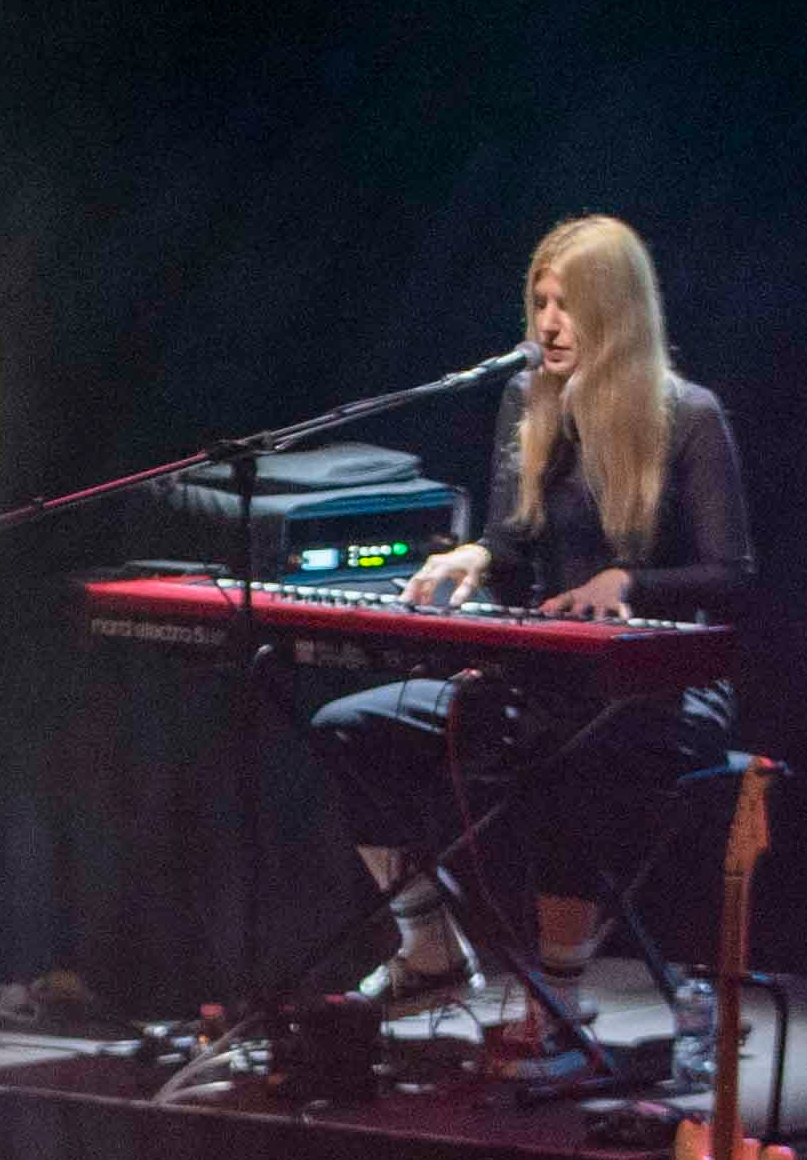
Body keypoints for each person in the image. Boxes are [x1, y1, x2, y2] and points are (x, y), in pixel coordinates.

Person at [311, 212, 756, 1022]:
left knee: (568, 762)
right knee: (347, 725)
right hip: (541, 679)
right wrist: (476, 557)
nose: (549, 323)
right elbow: (512, 543)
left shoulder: (689, 417)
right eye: (541, 302)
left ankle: (557, 1000)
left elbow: (730, 576)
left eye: (570, 304)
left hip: (655, 695)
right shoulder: (526, 395)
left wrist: (630, 582)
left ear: (618, 314)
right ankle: (430, 949)